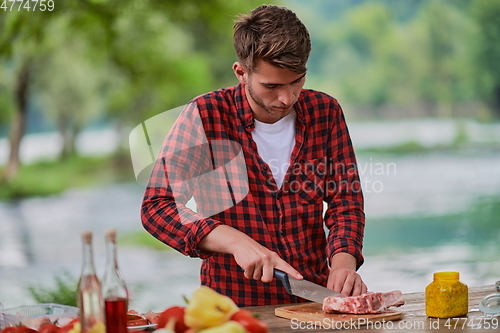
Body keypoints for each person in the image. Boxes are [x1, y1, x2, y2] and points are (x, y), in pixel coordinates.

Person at [141, 4, 367, 307]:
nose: (286, 98)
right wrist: (235, 241)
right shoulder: (206, 116)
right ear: (241, 73)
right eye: (272, 86)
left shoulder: (325, 112)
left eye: (296, 81)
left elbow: (346, 202)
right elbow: (158, 207)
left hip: (315, 304)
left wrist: (343, 264)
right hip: (232, 309)